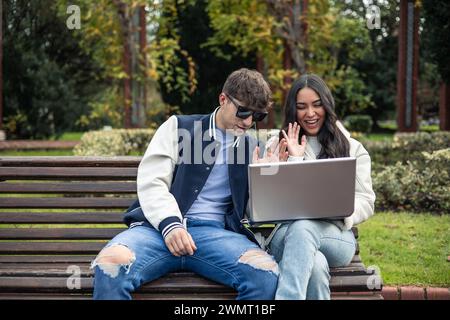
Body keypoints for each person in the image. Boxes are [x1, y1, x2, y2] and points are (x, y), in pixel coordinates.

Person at [91, 68, 279, 300]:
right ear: (223, 99)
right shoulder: (178, 127)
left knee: (264, 275)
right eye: (243, 112)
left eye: (257, 116)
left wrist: (265, 178)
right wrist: (171, 225)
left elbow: (255, 214)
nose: (248, 122)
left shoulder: (252, 148)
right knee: (110, 265)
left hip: (215, 236)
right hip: (156, 230)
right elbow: (153, 182)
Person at [266, 73, 376, 300]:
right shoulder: (277, 146)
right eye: (302, 107)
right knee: (314, 265)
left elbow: (366, 200)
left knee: (305, 227)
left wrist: (343, 211)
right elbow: (260, 205)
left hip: (335, 236)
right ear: (292, 110)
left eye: (317, 105)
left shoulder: (352, 149)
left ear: (327, 105)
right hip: (285, 236)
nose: (310, 113)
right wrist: (292, 161)